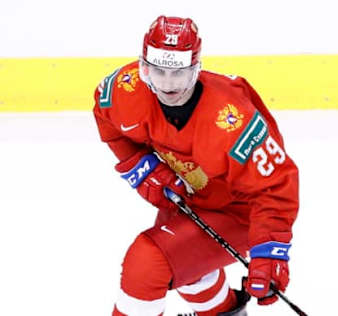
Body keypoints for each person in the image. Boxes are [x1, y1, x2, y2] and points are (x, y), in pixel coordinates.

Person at [93, 15, 299, 316]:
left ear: (196, 68)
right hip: (189, 194)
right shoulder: (127, 89)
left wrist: (269, 251)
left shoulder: (231, 119)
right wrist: (137, 163)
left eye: (178, 73)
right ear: (144, 67)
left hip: (239, 211)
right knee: (188, 269)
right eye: (158, 71)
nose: (167, 85)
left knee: (148, 263)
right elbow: (105, 113)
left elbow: (275, 187)